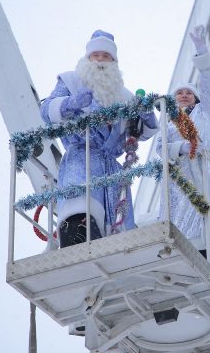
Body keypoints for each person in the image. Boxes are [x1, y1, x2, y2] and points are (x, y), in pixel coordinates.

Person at [41, 29, 157, 247]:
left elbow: (140, 133)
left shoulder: (124, 95)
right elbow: (46, 110)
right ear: (88, 58)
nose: (101, 61)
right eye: (96, 55)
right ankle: (76, 233)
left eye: (106, 56)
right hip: (80, 157)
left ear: (113, 61)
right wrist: (70, 103)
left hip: (109, 165)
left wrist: (147, 116)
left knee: (115, 220)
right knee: (80, 203)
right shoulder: (71, 80)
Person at [156, 25, 210, 262]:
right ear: (173, 100)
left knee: (202, 227)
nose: (185, 95)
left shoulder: (205, 113)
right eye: (179, 93)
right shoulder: (167, 124)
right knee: (179, 230)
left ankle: (203, 257)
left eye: (189, 92)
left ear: (197, 98)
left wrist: (200, 49)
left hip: (202, 177)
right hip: (178, 183)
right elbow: (160, 148)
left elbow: (208, 81)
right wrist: (181, 148)